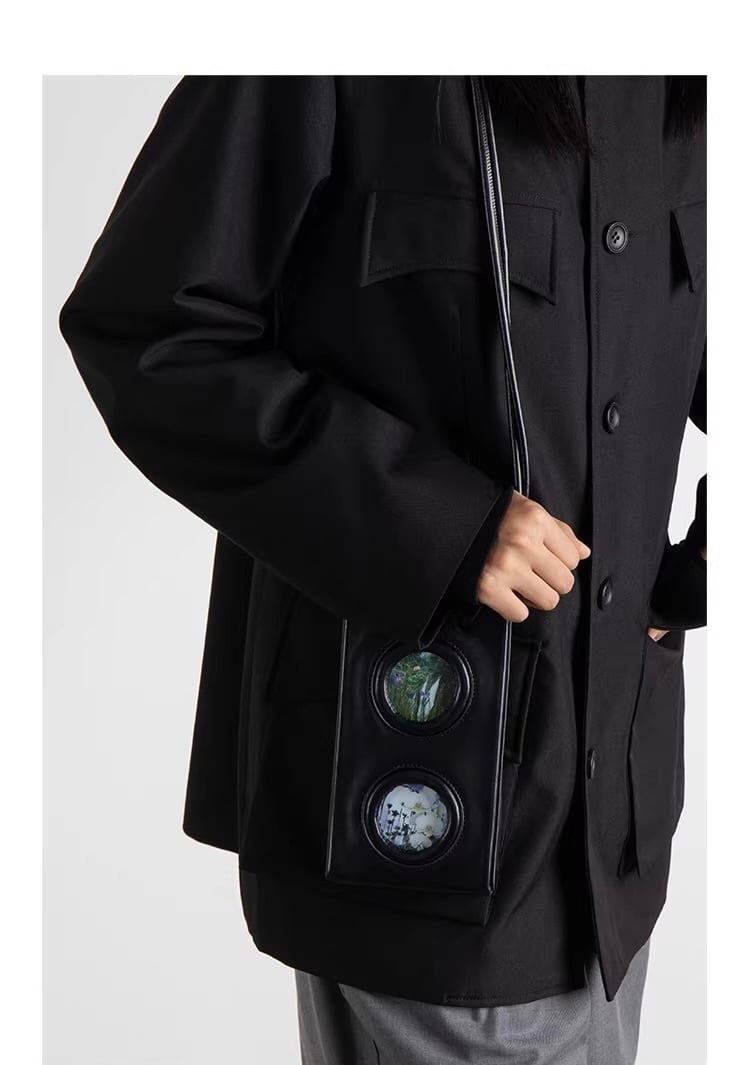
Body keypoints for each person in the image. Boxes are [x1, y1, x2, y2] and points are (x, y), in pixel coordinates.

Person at [58, 75, 707, 1064]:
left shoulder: (691, 81)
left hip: (613, 844)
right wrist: (441, 525)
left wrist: (697, 577)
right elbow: (148, 327)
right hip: (413, 824)